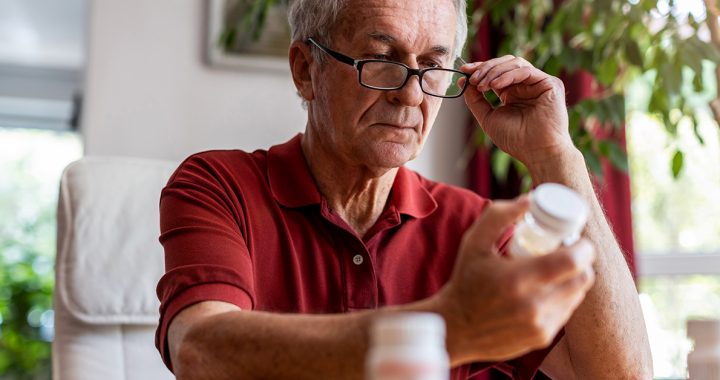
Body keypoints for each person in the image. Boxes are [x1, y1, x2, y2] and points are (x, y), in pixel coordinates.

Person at [155, 0, 653, 378]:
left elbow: (618, 374)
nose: (411, 93)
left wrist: (555, 156)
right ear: (306, 70)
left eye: (433, 66)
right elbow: (200, 349)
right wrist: (446, 327)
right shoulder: (218, 186)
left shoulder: (478, 229)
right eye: (380, 59)